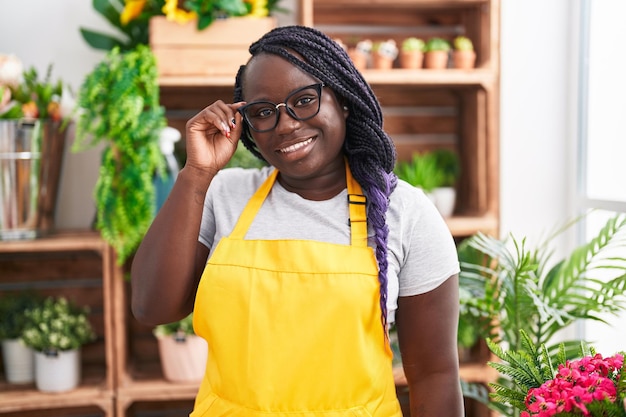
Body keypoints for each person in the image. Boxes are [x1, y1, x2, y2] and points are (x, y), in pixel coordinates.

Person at [131, 25, 463, 417]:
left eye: (304, 100)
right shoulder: (224, 195)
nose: (285, 124)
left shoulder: (404, 211)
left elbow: (434, 375)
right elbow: (152, 307)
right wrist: (196, 174)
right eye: (263, 112)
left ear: (342, 100)